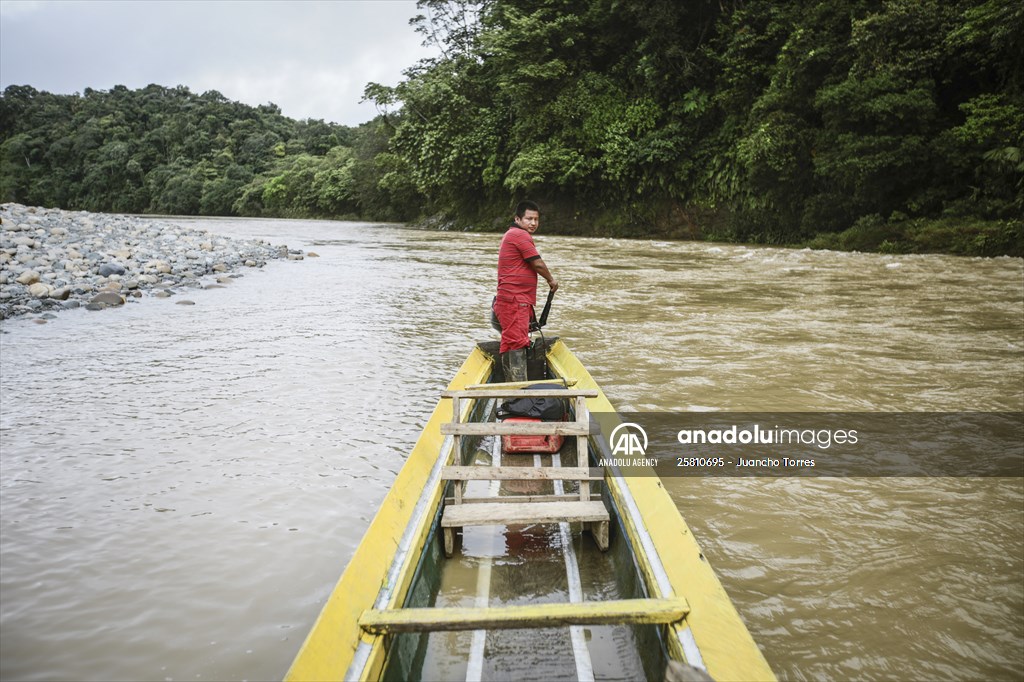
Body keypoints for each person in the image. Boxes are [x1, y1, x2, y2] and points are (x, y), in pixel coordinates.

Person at [493, 200, 558, 382]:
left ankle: (515, 392)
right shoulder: (520, 235)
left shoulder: (513, 234)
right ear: (517, 219)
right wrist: (551, 280)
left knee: (512, 341)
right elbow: (537, 263)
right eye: (529, 218)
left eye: (536, 219)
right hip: (515, 300)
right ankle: (518, 393)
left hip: (514, 299)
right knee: (516, 342)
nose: (533, 223)